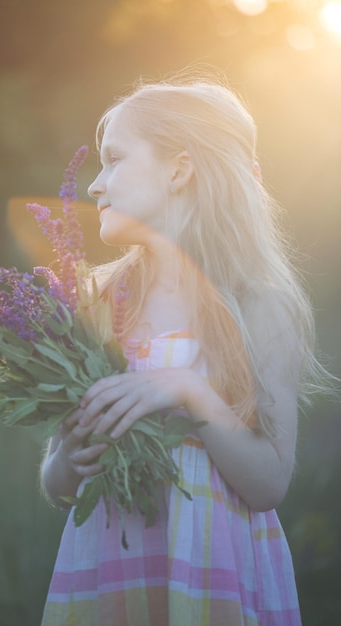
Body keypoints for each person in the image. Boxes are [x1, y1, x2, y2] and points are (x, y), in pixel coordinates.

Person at [40, 78, 323, 625]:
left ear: (179, 169)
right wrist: (70, 455)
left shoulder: (258, 306)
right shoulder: (100, 305)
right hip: (112, 578)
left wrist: (187, 390)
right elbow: (57, 485)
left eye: (114, 160)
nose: (94, 186)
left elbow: (269, 485)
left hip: (212, 578)